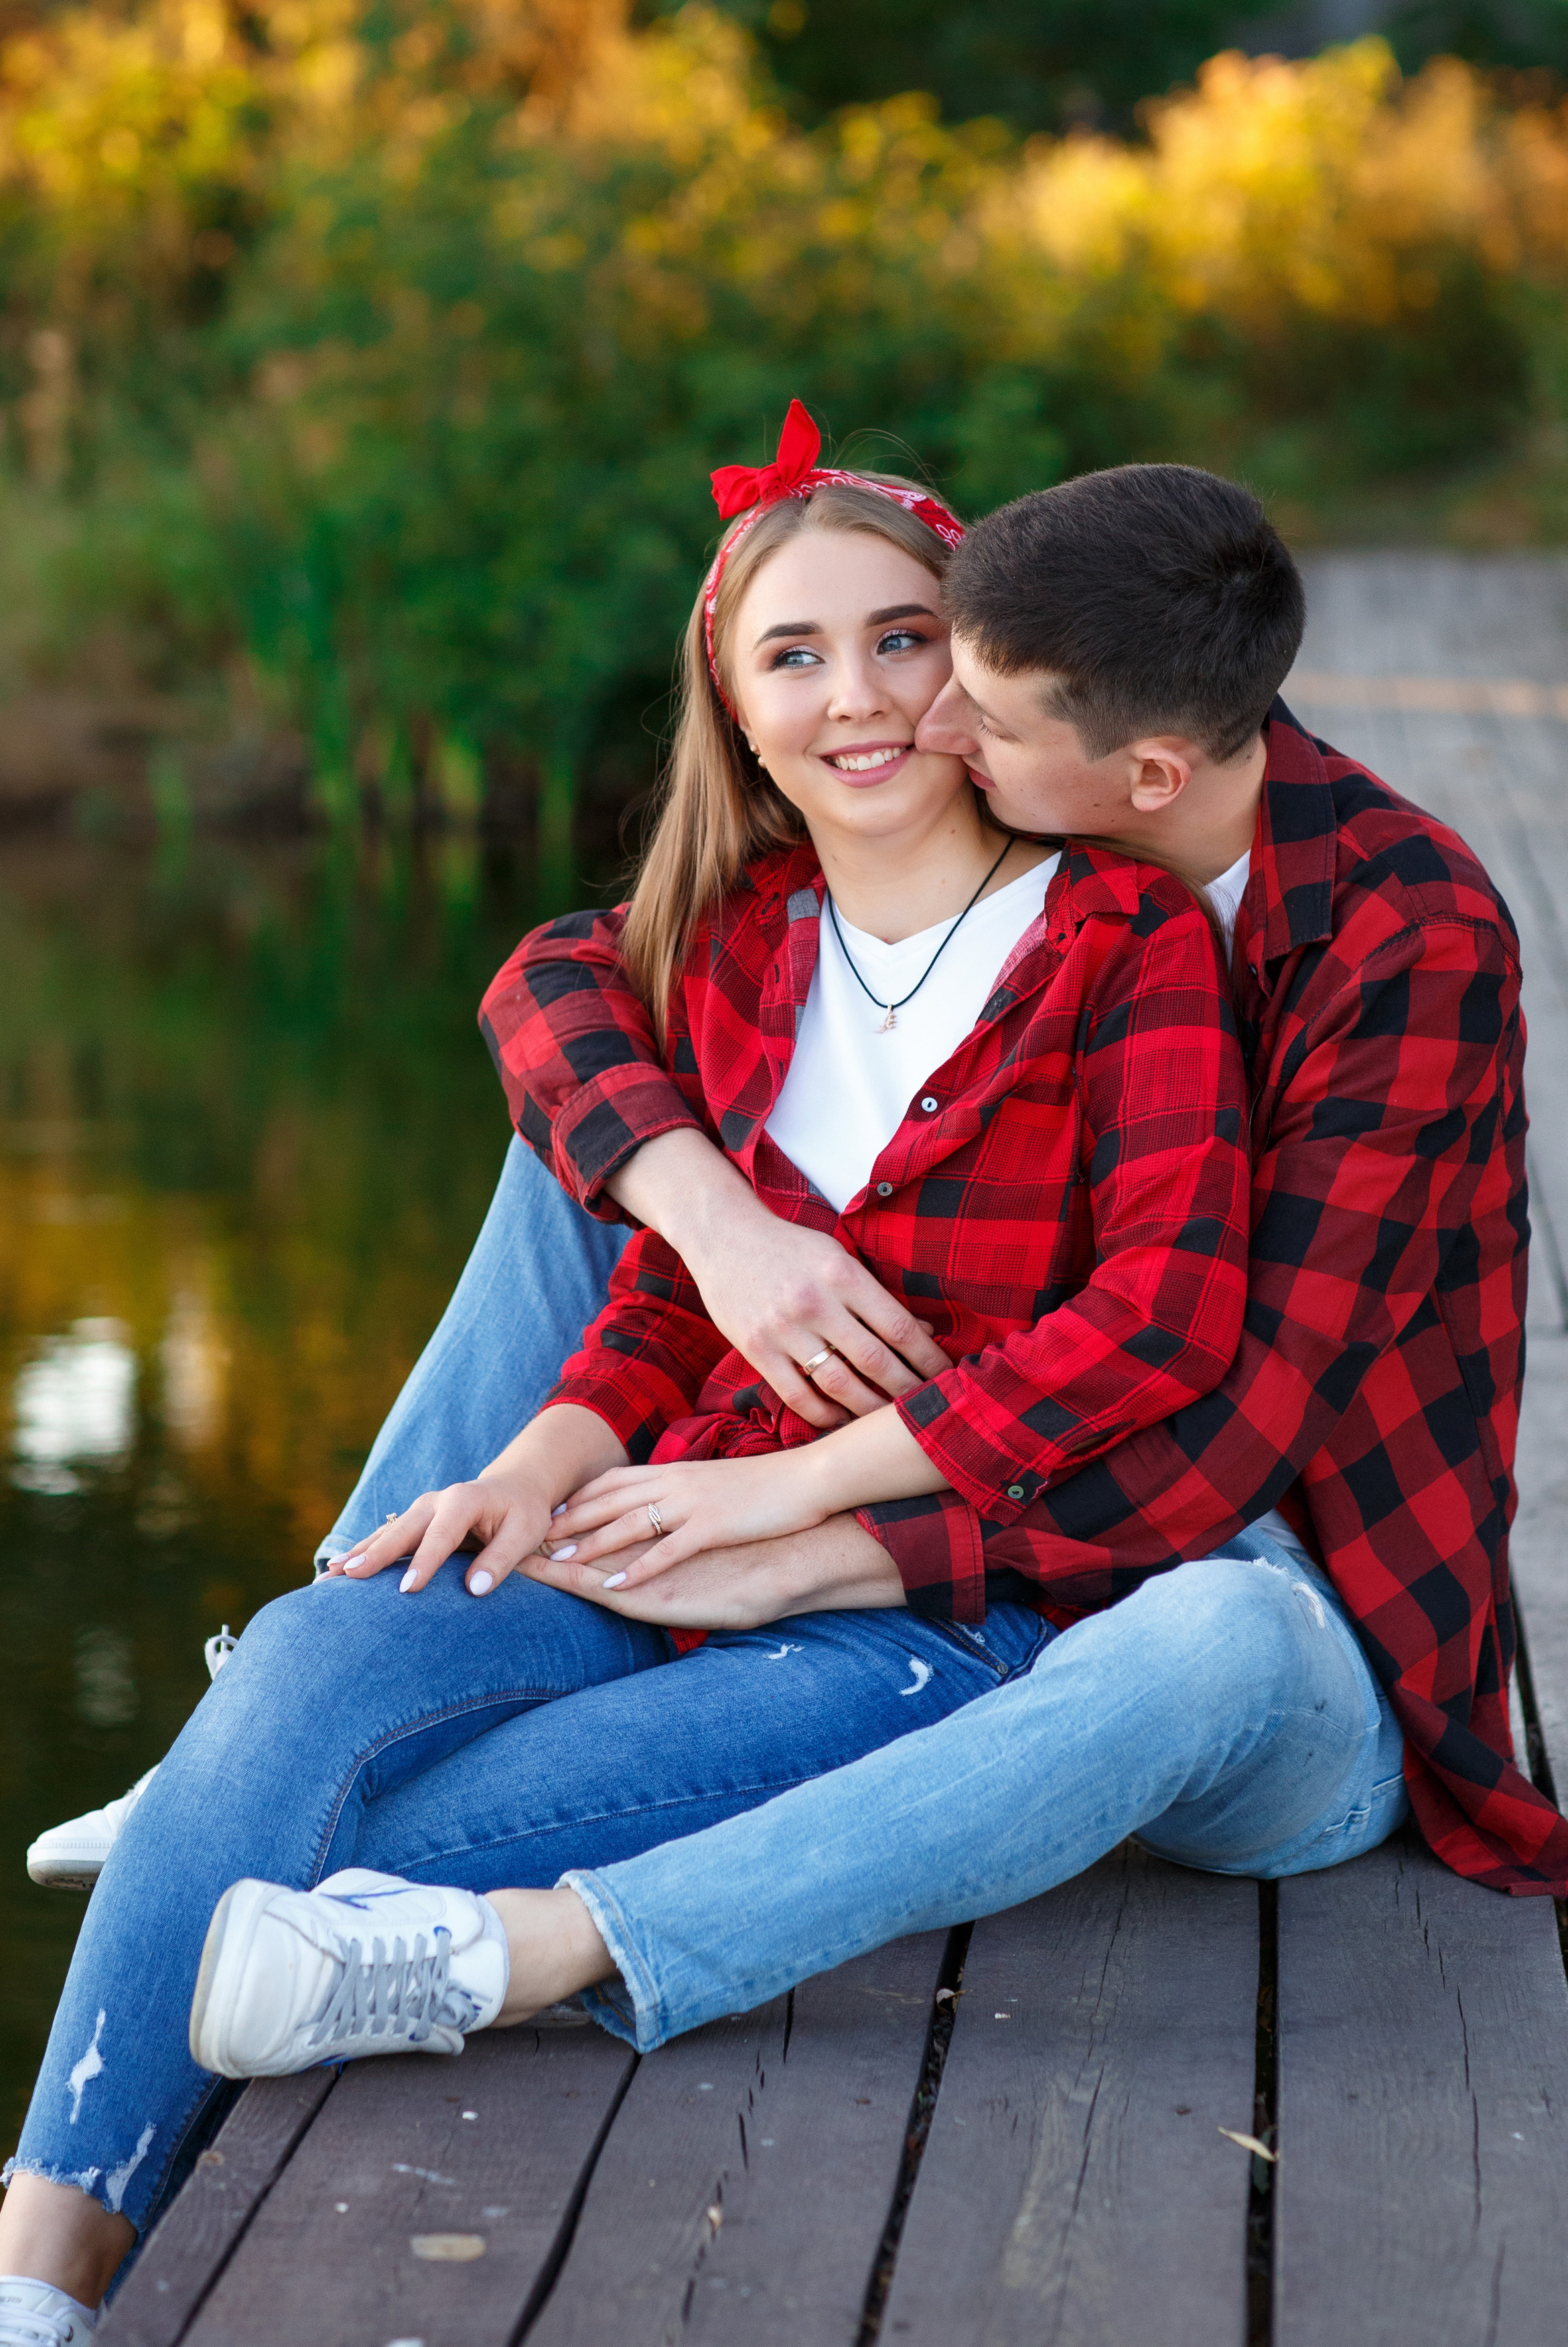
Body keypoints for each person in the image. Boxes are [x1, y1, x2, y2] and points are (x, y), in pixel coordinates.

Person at [0, 410, 1256, 2344]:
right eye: (793, 658)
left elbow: (1157, 1330)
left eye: (902, 638)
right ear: (732, 711)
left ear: (975, 663)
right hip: (632, 1521)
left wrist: (811, 1493)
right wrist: (544, 1457)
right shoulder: (729, 951)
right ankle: (30, 2304)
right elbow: (656, 1297)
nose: (860, 698)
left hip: (918, 1611)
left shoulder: (1126, 944)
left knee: (342, 1829)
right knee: (320, 1653)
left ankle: (209, 1860)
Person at [182, 451, 1568, 2050]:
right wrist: (720, 1224)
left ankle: (535, 1946)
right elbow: (563, 978)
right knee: (604, 1152)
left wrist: (812, 1526)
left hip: (1283, 1604)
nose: (924, 723)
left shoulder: (1401, 937)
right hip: (1019, 1518)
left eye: (973, 703)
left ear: (1144, 779)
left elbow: (1231, 1435)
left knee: (1213, 1628)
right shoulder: (988, 856)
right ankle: (325, 1650)